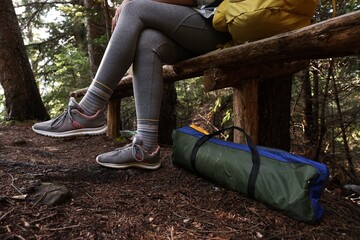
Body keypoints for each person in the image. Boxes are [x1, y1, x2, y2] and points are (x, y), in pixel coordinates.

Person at [32, 0, 230, 170]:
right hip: (196, 25)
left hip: (217, 23)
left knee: (133, 8)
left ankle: (88, 110)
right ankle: (147, 146)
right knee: (147, 42)